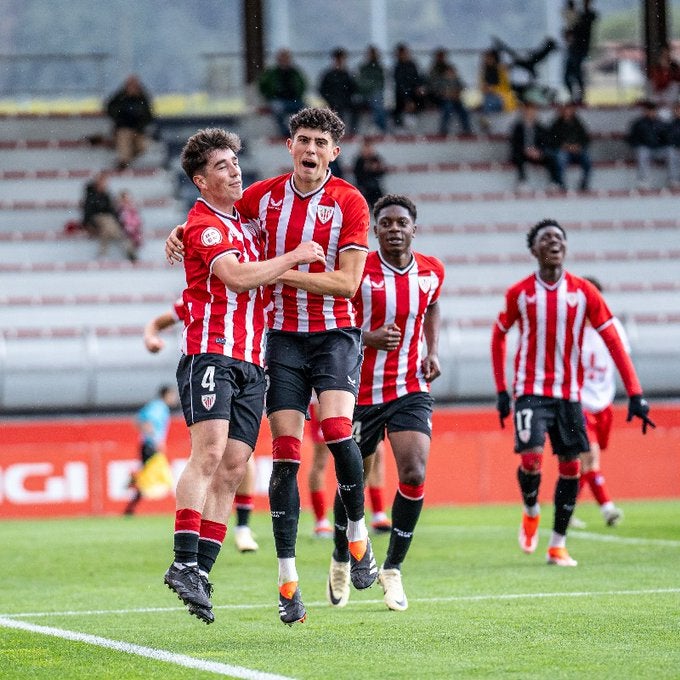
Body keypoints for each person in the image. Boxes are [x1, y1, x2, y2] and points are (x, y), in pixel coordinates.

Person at [166, 107, 375, 625]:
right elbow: (221, 239)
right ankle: (232, 571)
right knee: (243, 454)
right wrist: (182, 231)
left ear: (333, 151)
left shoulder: (345, 202)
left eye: (319, 142)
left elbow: (348, 284)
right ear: (290, 146)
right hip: (251, 345)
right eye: (301, 139)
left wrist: (275, 273)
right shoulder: (262, 199)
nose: (309, 149)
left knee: (262, 456)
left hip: (309, 342)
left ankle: (354, 535)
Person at [491, 219, 655, 568]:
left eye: (560, 238)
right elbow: (498, 335)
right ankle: (531, 509)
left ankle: (557, 545)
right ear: (534, 250)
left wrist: (636, 393)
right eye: (546, 238)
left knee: (570, 467)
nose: (554, 242)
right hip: (530, 390)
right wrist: (503, 390)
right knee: (532, 458)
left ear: (565, 248)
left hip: (569, 394)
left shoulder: (584, 292)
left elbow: (613, 341)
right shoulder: (520, 293)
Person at [327, 194, 444, 612]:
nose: (395, 229)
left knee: (413, 472)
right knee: (351, 483)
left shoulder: (432, 272)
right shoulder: (360, 271)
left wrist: (432, 351)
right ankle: (342, 555)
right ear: (375, 230)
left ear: (415, 228)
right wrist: (367, 336)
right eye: (387, 223)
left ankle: (392, 568)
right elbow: (335, 319)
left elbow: (431, 307)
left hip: (410, 388)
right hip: (359, 394)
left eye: (402, 223)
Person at [143, 297, 260, 553]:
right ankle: (192, 547)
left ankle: (242, 526)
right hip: (209, 367)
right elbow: (159, 321)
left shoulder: (254, 286)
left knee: (241, 457)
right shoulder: (199, 297)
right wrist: (151, 335)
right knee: (209, 455)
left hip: (249, 366)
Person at [570, 277, 627, 528]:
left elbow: (623, 360)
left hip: (604, 403)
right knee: (589, 457)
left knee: (588, 463)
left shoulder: (612, 326)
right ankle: (608, 509)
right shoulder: (572, 328)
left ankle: (566, 509)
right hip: (580, 403)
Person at [307, 400, 391, 538]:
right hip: (328, 394)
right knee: (321, 457)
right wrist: (317, 398)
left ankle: (378, 514)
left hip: (361, 398)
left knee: (376, 450)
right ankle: (321, 521)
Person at [123, 384, 178, 516]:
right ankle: (135, 480)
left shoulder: (153, 405)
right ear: (166, 395)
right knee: (162, 474)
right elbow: (148, 423)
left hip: (147, 445)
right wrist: (155, 440)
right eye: (172, 395)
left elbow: (137, 420)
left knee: (149, 474)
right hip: (151, 446)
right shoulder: (160, 408)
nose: (174, 398)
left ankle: (131, 503)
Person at [82, 171, 138, 261]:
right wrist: (86, 224)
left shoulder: (106, 195)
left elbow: (111, 211)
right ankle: (129, 250)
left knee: (107, 228)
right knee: (109, 223)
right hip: (96, 219)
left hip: (107, 222)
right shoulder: (91, 194)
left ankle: (103, 253)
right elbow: (88, 210)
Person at [509, 101, 563, 190]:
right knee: (518, 157)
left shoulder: (540, 127)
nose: (530, 113)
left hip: (537, 153)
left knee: (551, 158)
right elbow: (515, 144)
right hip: (522, 153)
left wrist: (539, 151)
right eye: (527, 111)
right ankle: (522, 181)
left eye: (532, 111)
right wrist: (525, 150)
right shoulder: (517, 127)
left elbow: (545, 142)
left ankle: (554, 182)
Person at [105, 74, 154, 170]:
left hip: (138, 130)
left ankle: (127, 160)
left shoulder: (143, 99)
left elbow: (148, 115)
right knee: (124, 137)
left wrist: (139, 125)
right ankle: (124, 162)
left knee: (143, 146)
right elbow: (111, 109)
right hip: (123, 128)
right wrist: (121, 120)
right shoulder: (119, 98)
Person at [258, 48, 307, 138]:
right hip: (278, 100)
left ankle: (299, 132)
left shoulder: (295, 72)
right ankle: (285, 133)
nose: (284, 61)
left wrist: (298, 95)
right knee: (277, 108)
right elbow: (263, 86)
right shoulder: (272, 73)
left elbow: (302, 85)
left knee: (304, 111)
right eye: (282, 58)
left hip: (294, 100)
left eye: (286, 58)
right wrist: (270, 97)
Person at [626, 99, 671, 189]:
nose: (650, 112)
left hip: (659, 150)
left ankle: (674, 180)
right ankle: (643, 181)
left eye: (652, 110)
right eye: (648, 110)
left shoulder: (661, 123)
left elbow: (667, 139)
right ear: (644, 111)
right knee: (643, 153)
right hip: (645, 149)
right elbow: (631, 138)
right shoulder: (638, 124)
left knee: (672, 152)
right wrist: (637, 146)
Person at [547, 101, 592, 191]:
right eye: (564, 109)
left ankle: (584, 184)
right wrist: (565, 146)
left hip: (577, 151)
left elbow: (585, 139)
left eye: (569, 109)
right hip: (563, 151)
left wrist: (578, 146)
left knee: (587, 159)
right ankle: (561, 184)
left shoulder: (578, 123)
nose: (567, 111)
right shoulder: (556, 124)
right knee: (560, 159)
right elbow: (552, 140)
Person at [427, 49, 471, 136]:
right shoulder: (441, 79)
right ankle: (443, 130)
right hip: (445, 100)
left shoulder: (457, 80)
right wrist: (448, 94)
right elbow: (438, 91)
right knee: (447, 109)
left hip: (456, 100)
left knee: (464, 111)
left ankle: (467, 129)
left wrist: (456, 94)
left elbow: (463, 88)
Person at [563, 1, 598, 104]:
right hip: (575, 49)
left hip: (578, 49)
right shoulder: (582, 17)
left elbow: (577, 29)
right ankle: (576, 97)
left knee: (576, 75)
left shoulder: (586, 17)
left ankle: (579, 98)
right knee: (570, 75)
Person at [318, 47, 359, 134]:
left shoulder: (347, 74)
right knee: (337, 109)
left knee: (356, 107)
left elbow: (354, 89)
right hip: (333, 101)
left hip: (345, 100)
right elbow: (322, 90)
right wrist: (329, 99)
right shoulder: (328, 75)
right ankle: (338, 132)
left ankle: (352, 131)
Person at [478, 48, 516, 133]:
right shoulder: (483, 71)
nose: (487, 60)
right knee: (485, 100)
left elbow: (506, 87)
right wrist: (486, 89)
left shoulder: (501, 70)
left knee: (487, 101)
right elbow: (481, 87)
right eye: (486, 58)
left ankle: (485, 121)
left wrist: (492, 89)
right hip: (488, 97)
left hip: (502, 98)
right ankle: (485, 120)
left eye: (489, 58)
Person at [392, 43, 427, 129]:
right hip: (402, 94)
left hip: (413, 92)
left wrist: (420, 87)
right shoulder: (398, 68)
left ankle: (411, 115)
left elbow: (418, 78)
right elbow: (400, 84)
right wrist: (407, 99)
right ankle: (399, 123)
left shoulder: (412, 65)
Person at [355, 45, 388, 134]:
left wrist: (369, 86)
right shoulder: (363, 68)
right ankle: (354, 129)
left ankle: (380, 128)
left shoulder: (379, 68)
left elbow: (380, 83)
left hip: (373, 94)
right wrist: (369, 86)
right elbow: (360, 82)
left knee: (377, 103)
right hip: (364, 94)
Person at [352, 136, 387, 209]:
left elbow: (382, 173)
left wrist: (377, 169)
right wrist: (365, 170)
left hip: (374, 185)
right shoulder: (359, 160)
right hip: (363, 186)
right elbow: (357, 175)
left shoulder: (376, 159)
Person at [648, 45, 680, 110]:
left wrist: (669, 70)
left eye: (667, 53)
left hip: (671, 94)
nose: (665, 55)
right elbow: (654, 82)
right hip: (658, 93)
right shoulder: (656, 68)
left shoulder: (674, 66)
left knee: (674, 85)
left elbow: (677, 81)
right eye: (663, 54)